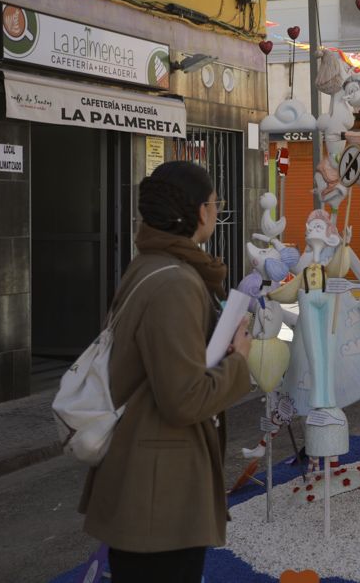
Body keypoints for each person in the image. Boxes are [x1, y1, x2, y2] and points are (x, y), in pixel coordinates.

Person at [79, 161, 253, 583]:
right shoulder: (175, 282)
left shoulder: (150, 265)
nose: (216, 211)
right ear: (200, 212)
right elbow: (183, 398)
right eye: (215, 203)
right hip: (158, 497)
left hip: (148, 485)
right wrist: (239, 361)